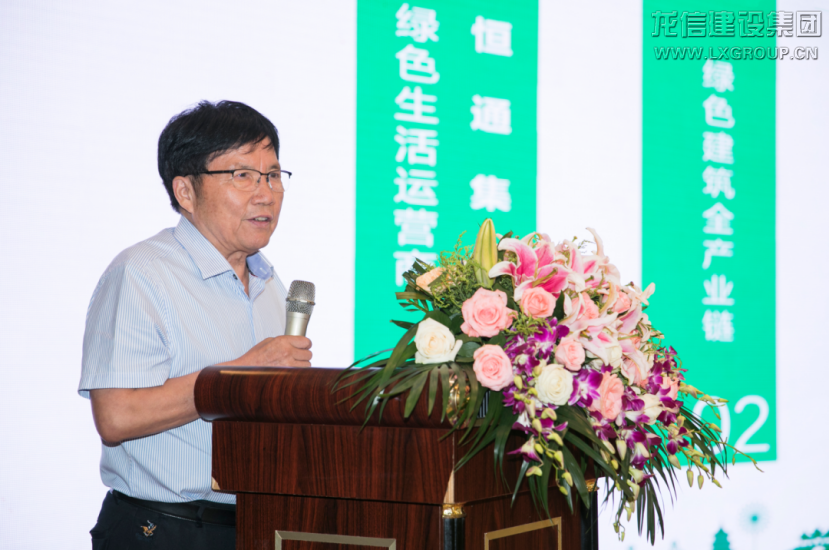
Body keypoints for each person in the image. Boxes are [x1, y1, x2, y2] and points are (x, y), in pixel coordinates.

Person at [78, 100, 311, 550]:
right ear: (185, 191)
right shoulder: (142, 273)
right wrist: (238, 376)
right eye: (242, 175)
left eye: (273, 175)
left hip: (256, 526)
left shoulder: (270, 284)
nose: (266, 193)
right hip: (164, 530)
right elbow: (117, 417)